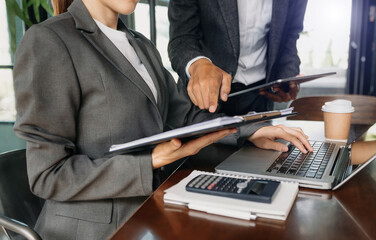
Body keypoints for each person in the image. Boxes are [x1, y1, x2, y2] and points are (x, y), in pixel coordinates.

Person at [13, 0, 312, 239]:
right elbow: (47, 175)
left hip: (150, 215)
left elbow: (185, 114)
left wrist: (251, 130)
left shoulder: (141, 44)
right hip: (96, 230)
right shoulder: (50, 40)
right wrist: (149, 162)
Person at [168, 0, 308, 115]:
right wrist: (199, 65)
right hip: (204, 98)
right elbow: (181, 38)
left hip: (259, 97)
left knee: (262, 149)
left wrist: (287, 78)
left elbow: (290, 35)